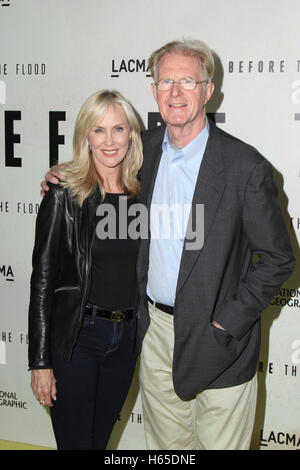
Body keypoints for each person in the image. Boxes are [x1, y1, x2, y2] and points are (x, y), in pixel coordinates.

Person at [42, 39, 295, 450]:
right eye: (165, 82)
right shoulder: (143, 153)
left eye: (187, 81)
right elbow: (100, 157)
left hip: (221, 341)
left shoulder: (245, 167)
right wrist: (62, 172)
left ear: (208, 91)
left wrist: (226, 322)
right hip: (155, 334)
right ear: (154, 90)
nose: (175, 92)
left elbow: (278, 260)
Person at [28, 89, 143, 450]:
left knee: (99, 443)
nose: (110, 140)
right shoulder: (64, 193)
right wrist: (40, 362)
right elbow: (42, 282)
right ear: (85, 137)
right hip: (78, 339)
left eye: (119, 129)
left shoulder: (143, 191)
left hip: (126, 342)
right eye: (98, 130)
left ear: (132, 135)